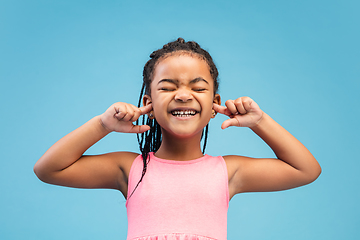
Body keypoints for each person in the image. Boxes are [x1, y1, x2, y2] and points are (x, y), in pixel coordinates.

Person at [34, 38, 321, 240]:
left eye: (197, 87)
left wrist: (260, 122)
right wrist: (102, 125)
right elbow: (48, 169)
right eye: (168, 87)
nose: (183, 95)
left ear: (214, 104)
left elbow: (306, 170)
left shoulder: (228, 172)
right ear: (148, 102)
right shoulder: (129, 168)